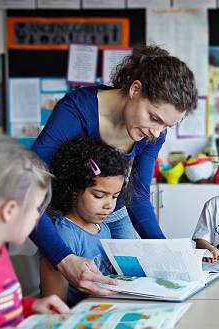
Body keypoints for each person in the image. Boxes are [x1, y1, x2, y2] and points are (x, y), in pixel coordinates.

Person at [30, 45, 198, 296]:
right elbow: (28, 186)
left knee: (133, 288)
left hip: (116, 215)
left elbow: (138, 196)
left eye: (166, 126)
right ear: (135, 89)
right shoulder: (76, 110)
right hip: (69, 213)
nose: (156, 133)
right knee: (71, 288)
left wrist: (171, 256)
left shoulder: (154, 134)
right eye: (154, 117)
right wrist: (63, 257)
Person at [0, 136, 69, 329]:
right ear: (10, 210)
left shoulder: (0, 253)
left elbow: (0, 309)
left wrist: (31, 306)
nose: (38, 217)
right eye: (36, 208)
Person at [40, 138, 129, 306]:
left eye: (115, 196)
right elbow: (54, 304)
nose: (109, 204)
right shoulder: (64, 235)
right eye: (99, 195)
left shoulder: (102, 227)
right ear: (73, 188)